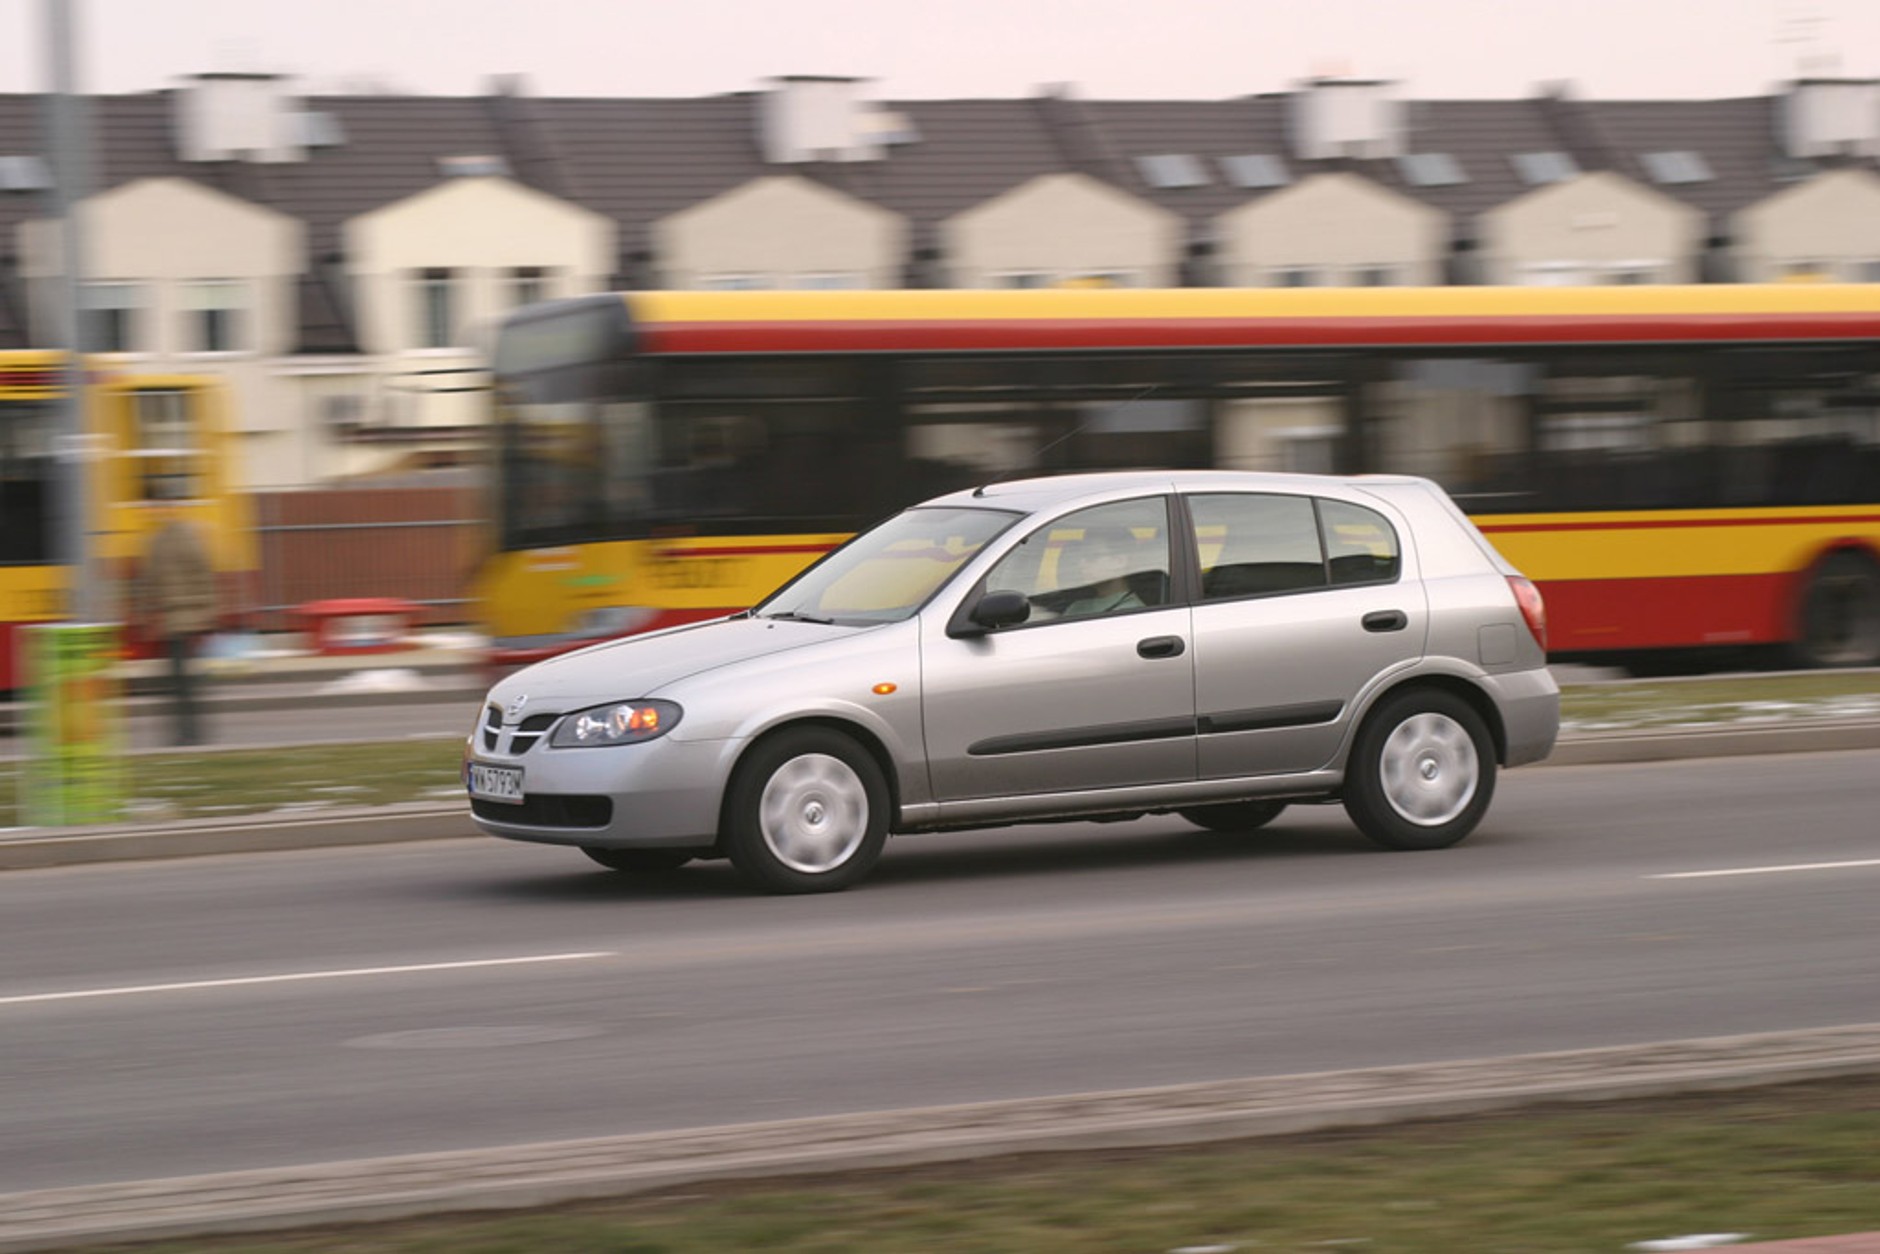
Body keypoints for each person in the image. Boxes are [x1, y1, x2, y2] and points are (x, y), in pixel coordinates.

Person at [135, 506, 218, 746]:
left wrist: (145, 617)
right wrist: (208, 615)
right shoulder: (190, 540)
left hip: (172, 621)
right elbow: (204, 576)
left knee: (178, 681)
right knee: (187, 681)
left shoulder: (156, 542)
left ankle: (185, 733)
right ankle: (192, 732)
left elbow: (148, 584)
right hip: (189, 620)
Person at [1057, 526, 1150, 618]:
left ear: (1119, 561)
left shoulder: (1133, 614)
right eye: (1081, 556)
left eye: (1091, 557)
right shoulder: (1078, 606)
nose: (1081, 564)